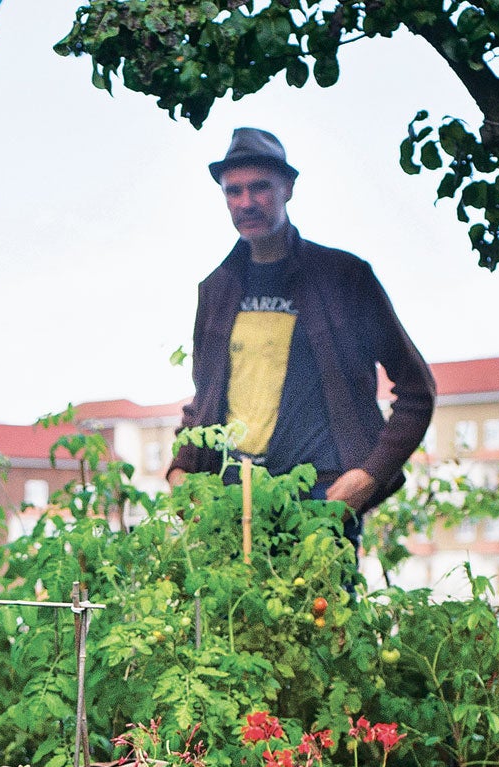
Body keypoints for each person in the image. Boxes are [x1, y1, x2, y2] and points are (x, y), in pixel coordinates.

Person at [169, 127, 436, 540]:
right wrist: (181, 469)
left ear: (288, 187)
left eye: (260, 188)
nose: (246, 203)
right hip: (231, 498)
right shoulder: (217, 288)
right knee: (231, 607)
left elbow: (417, 390)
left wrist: (366, 476)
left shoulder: (344, 277)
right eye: (233, 191)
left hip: (320, 497)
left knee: (321, 607)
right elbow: (205, 399)